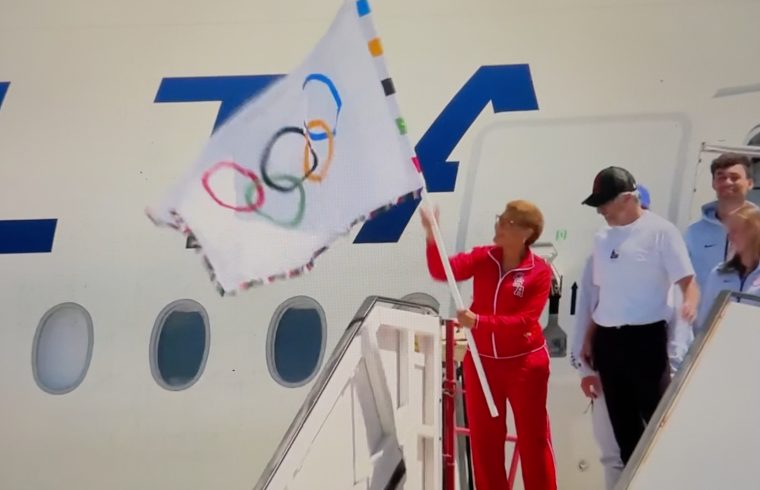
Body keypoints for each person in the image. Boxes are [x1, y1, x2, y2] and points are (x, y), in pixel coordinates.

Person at [421, 200, 556, 490]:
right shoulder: (485, 258)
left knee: (533, 441)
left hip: (525, 365)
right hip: (482, 364)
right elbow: (442, 270)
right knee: (485, 443)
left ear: (526, 232)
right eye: (500, 218)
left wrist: (479, 322)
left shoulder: (540, 272)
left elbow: (526, 320)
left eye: (506, 222)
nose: (498, 226)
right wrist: (432, 233)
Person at [571, 185, 693, 489]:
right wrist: (587, 349)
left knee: (657, 435)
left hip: (648, 346)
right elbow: (597, 300)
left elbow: (682, 293)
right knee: (621, 444)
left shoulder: (661, 235)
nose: (602, 213)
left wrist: (677, 357)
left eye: (605, 205)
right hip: (609, 347)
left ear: (629, 201)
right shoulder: (602, 243)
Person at [685, 153, 753, 311]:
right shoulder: (694, 234)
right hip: (702, 329)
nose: (727, 182)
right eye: (721, 177)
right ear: (714, 183)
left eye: (734, 177)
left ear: (750, 183)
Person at [697, 203, 760, 329]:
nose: (730, 237)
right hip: (719, 345)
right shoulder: (718, 273)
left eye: (736, 231)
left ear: (754, 233)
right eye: (729, 231)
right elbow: (704, 320)